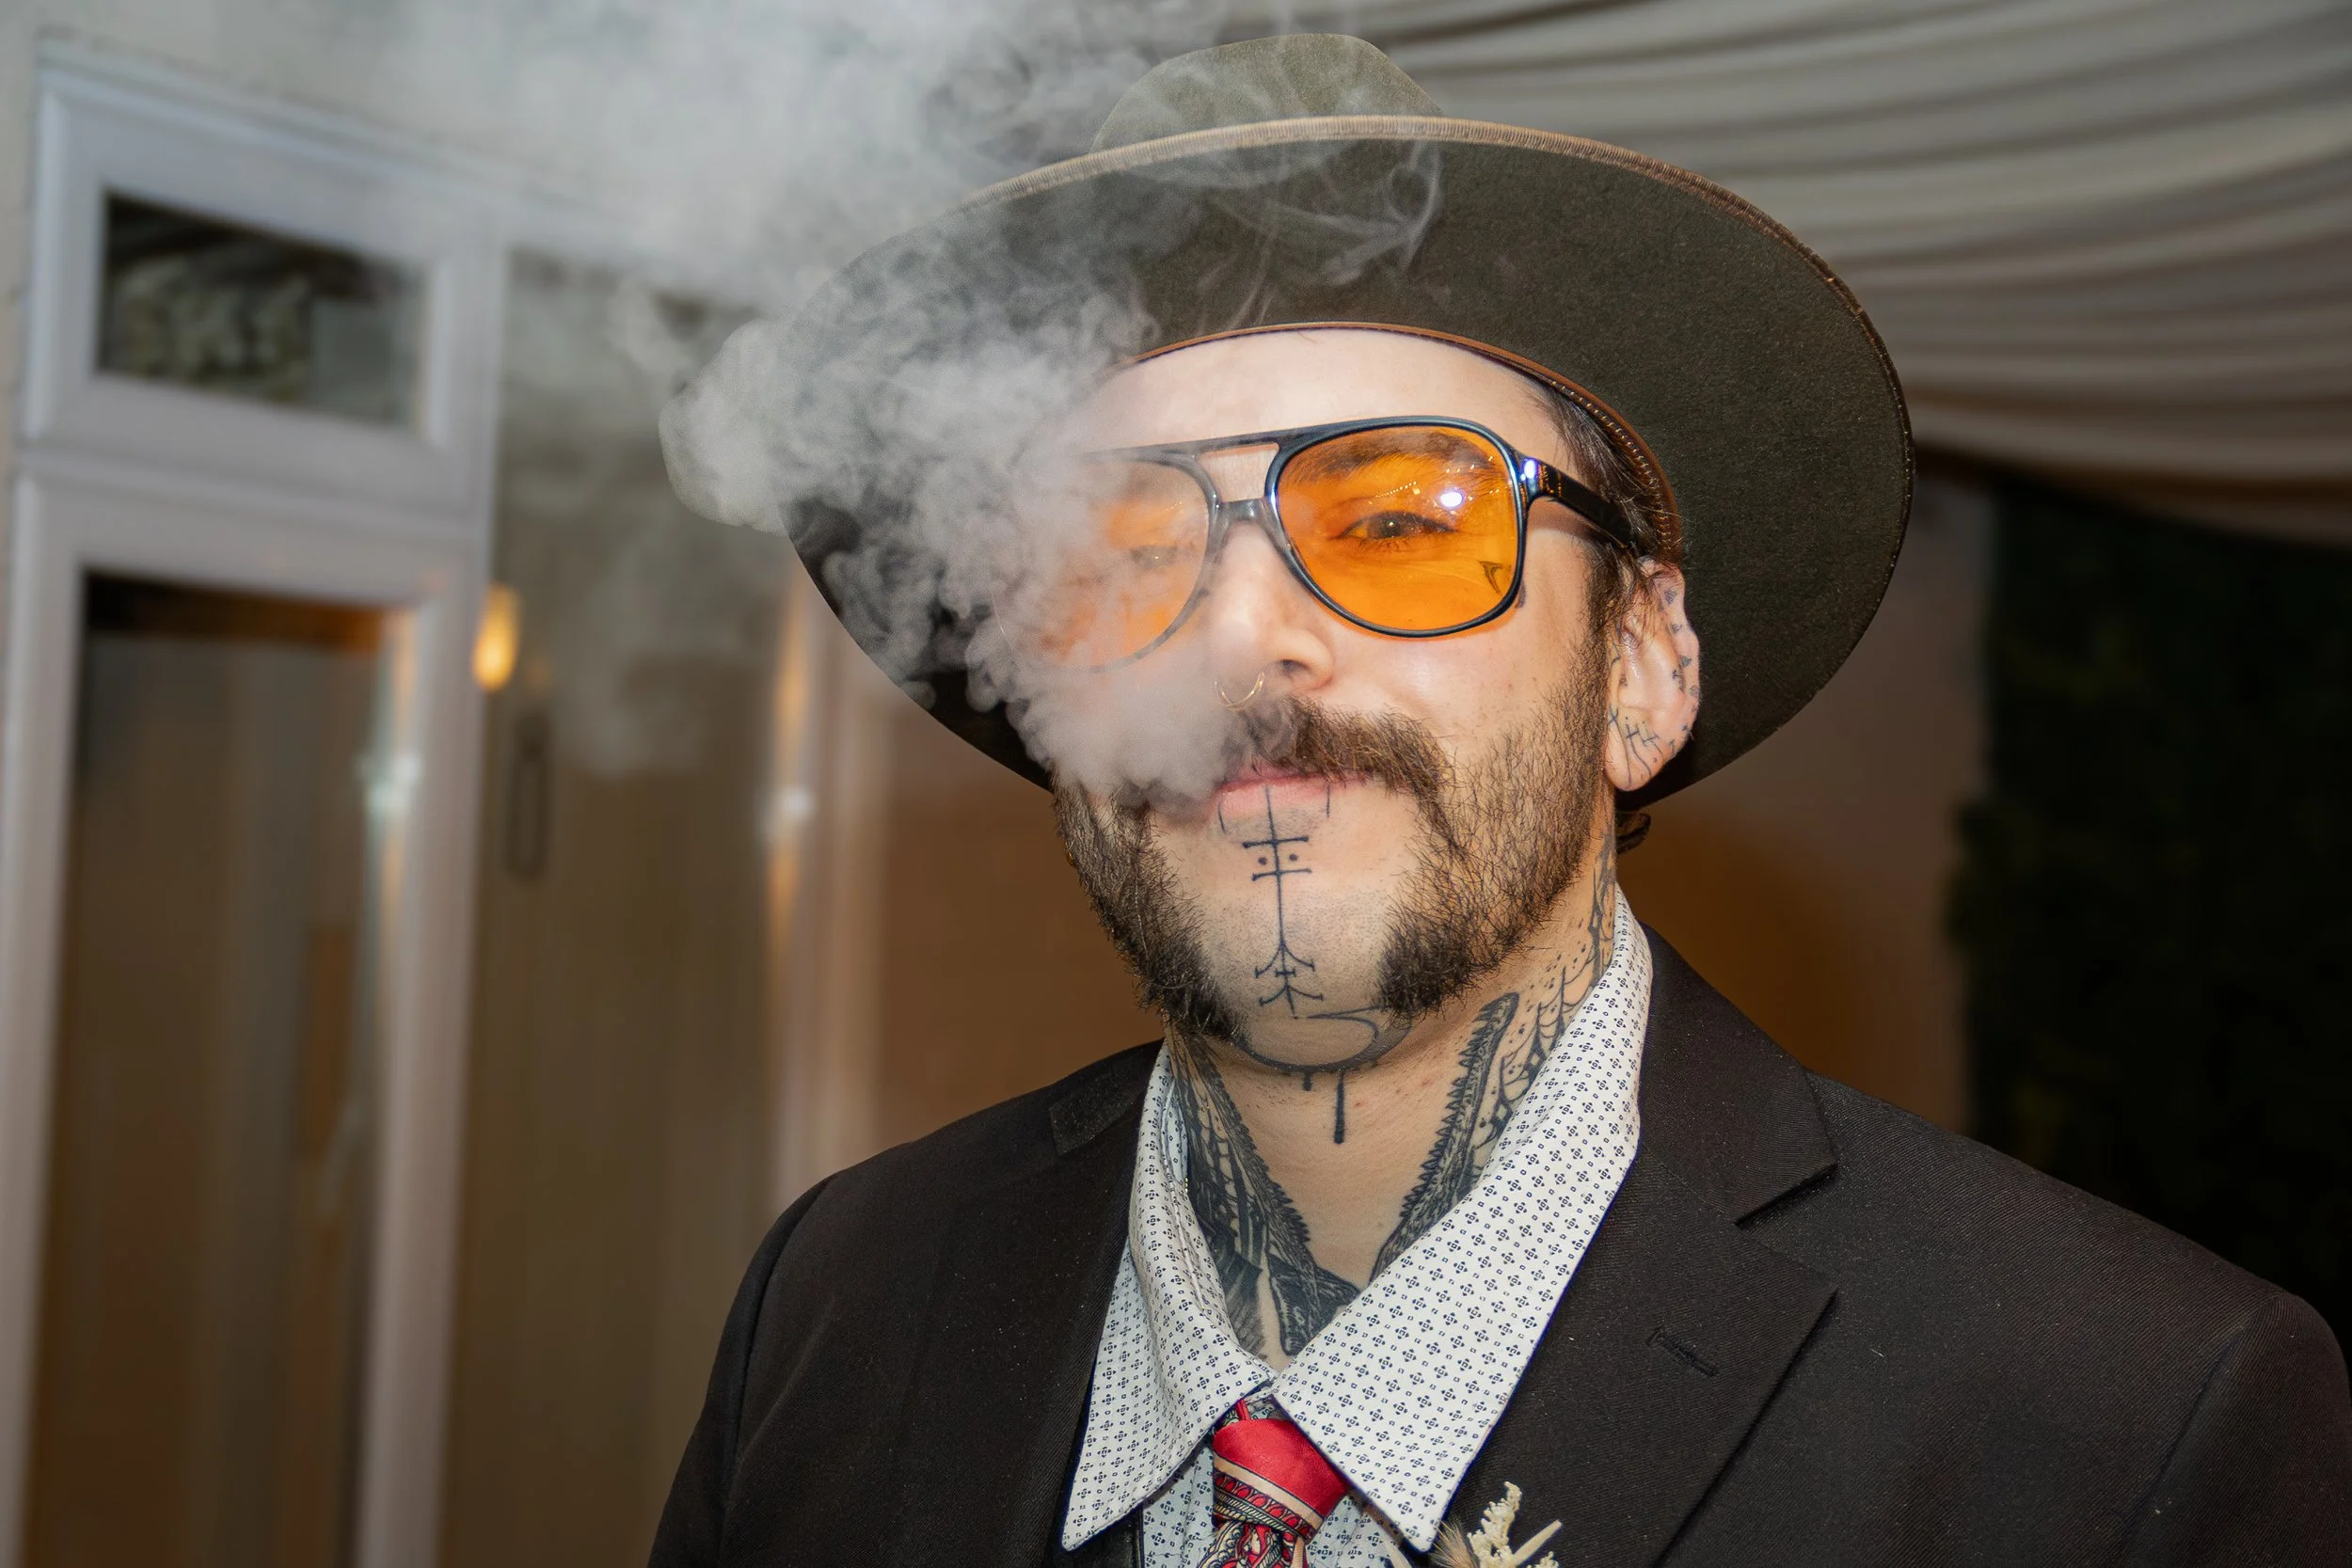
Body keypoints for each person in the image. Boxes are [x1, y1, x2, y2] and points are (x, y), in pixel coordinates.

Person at [650, 34, 2352, 1568]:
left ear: (1643, 667)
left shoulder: (2121, 1429)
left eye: (1402, 519)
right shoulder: (834, 1313)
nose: (1242, 641)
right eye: (1119, 550)